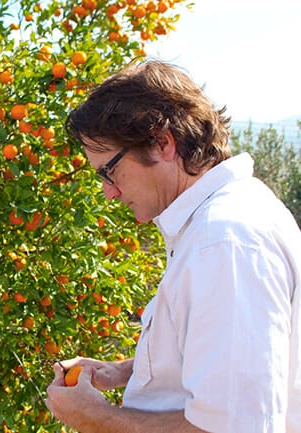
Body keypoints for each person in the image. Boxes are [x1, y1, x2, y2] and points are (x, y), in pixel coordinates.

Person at [45, 60, 301, 433]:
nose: (108, 192)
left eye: (109, 170)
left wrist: (97, 418)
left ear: (163, 142)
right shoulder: (217, 227)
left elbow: (235, 426)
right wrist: (123, 371)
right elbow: (222, 361)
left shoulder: (223, 241)